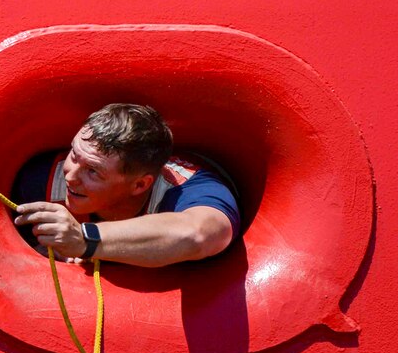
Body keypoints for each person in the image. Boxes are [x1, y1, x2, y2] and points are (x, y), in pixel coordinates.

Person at [12, 104, 239, 267]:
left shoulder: (188, 190)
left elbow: (197, 236)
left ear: (140, 185)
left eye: (93, 171)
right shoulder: (40, 179)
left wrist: (84, 240)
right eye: (74, 153)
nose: (70, 176)